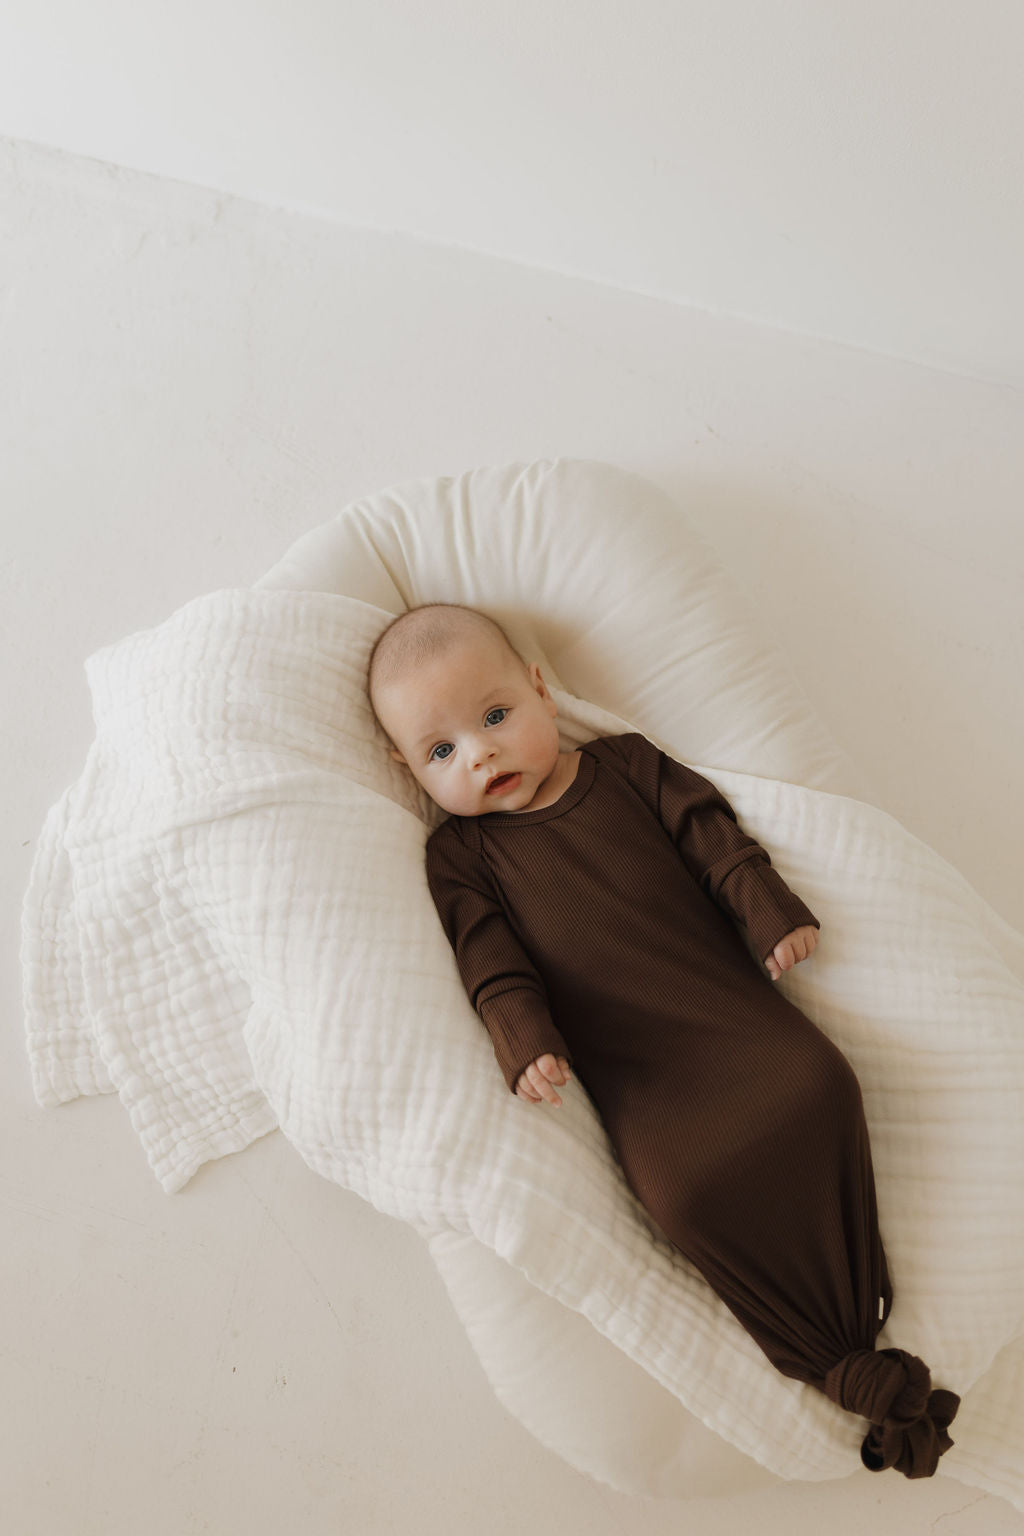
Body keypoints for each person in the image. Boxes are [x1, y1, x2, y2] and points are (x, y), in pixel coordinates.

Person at [367, 600, 960, 1479]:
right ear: (409, 770)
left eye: (493, 717)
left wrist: (764, 912)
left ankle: (855, 1300)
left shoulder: (628, 767)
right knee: (683, 1193)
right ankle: (824, 1347)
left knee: (820, 1084)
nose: (481, 752)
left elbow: (712, 836)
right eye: (442, 750)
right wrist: (522, 1037)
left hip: (736, 1024)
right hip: (647, 1083)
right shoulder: (462, 859)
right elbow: (487, 960)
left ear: (539, 688)